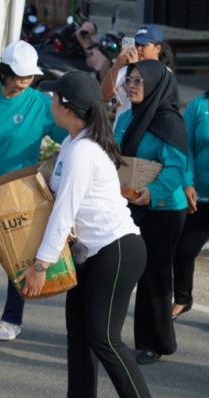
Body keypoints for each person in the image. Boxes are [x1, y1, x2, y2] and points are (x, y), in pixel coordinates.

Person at [19, 71, 151, 398]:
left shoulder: (83, 151)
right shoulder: (72, 142)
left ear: (66, 107)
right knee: (78, 335)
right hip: (92, 253)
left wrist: (40, 266)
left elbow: (64, 211)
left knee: (103, 338)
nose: (50, 101)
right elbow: (57, 195)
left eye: (53, 97)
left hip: (116, 249)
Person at [0, 41, 67, 341]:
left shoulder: (40, 103)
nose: (25, 81)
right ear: (5, 72)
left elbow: (68, 132)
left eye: (29, 76)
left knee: (17, 256)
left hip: (21, 192)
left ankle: (12, 317)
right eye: (19, 75)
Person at [114, 59, 187, 365]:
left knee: (154, 276)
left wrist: (152, 194)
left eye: (137, 82)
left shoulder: (169, 122)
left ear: (155, 85)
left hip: (163, 208)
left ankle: (154, 343)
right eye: (129, 80)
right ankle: (118, 336)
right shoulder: (128, 117)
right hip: (132, 202)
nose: (130, 87)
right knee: (130, 270)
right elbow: (116, 152)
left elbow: (176, 168)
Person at [172, 90, 209, 320]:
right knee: (184, 250)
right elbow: (186, 148)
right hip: (201, 196)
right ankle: (183, 299)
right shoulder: (198, 106)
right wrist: (187, 182)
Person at [100, 25, 171, 130]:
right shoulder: (125, 69)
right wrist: (117, 65)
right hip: (121, 133)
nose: (139, 48)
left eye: (144, 45)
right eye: (137, 44)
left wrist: (137, 69)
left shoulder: (165, 73)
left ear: (157, 48)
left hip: (146, 134)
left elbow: (150, 103)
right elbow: (104, 95)